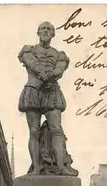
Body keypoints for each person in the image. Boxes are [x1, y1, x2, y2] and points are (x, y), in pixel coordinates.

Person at [18, 21, 71, 175]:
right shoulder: (28, 50)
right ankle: (36, 167)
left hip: (52, 91)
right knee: (34, 131)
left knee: (57, 130)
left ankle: (61, 167)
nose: (45, 31)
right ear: (38, 32)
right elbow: (31, 63)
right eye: (42, 28)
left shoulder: (60, 54)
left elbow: (60, 69)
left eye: (49, 29)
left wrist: (50, 75)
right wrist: (44, 73)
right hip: (34, 90)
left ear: (53, 34)